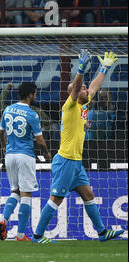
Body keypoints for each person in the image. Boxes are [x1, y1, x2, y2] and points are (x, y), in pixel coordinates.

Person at [32, 49, 124, 243]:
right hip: (65, 160)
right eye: (81, 89)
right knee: (56, 199)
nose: (85, 91)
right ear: (74, 92)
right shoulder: (70, 106)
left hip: (76, 163)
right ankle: (38, 236)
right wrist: (80, 69)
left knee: (88, 193)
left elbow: (94, 87)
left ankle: (101, 232)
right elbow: (78, 88)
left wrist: (104, 68)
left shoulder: (83, 105)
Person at [0, 82, 51, 241]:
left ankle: (3, 221)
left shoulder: (8, 109)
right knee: (26, 195)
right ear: (31, 94)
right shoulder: (32, 114)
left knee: (15, 192)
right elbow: (40, 141)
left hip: (10, 156)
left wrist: (5, 146)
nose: (36, 96)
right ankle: (20, 235)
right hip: (25, 155)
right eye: (35, 93)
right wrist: (47, 154)